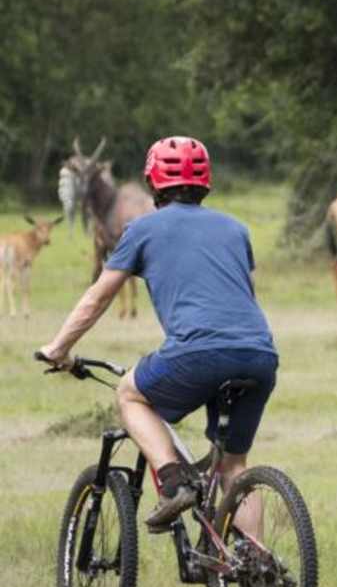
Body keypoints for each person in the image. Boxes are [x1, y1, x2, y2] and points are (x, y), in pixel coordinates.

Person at [38, 136, 278, 533]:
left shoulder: (142, 228)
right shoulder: (236, 229)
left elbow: (98, 297)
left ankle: (173, 482)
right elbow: (245, 293)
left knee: (130, 394)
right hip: (260, 355)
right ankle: (255, 561)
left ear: (152, 182)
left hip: (197, 354)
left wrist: (58, 347)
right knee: (234, 466)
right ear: (206, 183)